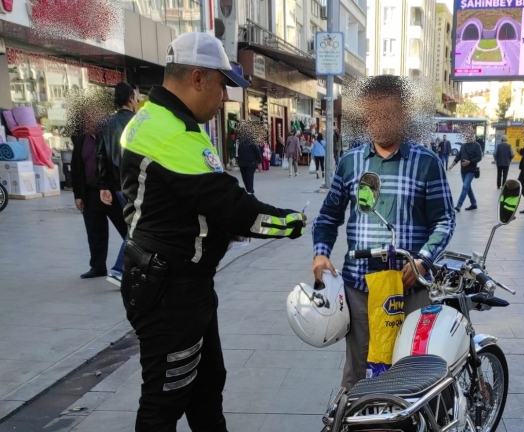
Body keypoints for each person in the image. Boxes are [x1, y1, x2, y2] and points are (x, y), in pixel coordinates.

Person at [118, 32, 306, 431]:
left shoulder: (163, 120)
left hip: (181, 284)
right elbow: (230, 205)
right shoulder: (169, 132)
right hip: (170, 291)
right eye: (222, 85)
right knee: (165, 401)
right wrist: (290, 223)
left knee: (205, 387)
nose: (224, 97)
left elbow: (181, 201)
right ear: (198, 78)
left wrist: (210, 230)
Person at [312, 75, 456, 390]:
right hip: (360, 290)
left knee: (411, 374)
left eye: (390, 113)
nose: (382, 120)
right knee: (358, 374)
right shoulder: (351, 163)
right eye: (375, 114)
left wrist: (423, 260)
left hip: (411, 290)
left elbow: (445, 219)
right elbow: (328, 215)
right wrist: (321, 253)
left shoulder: (426, 163)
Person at [71, 108, 129, 281]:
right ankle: (97, 267)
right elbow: (76, 168)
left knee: (127, 229)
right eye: (86, 121)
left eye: (92, 120)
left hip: (113, 191)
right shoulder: (82, 140)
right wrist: (78, 195)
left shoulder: (111, 137)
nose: (89, 124)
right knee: (95, 232)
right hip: (90, 193)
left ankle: (131, 265)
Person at [97, 82, 138, 286]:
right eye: (136, 97)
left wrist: (104, 186)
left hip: (116, 185)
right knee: (137, 226)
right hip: (136, 184)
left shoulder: (107, 124)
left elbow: (101, 156)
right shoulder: (138, 122)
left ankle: (131, 267)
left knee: (134, 225)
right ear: (130, 98)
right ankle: (119, 269)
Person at [448, 125, 482, 212]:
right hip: (463, 171)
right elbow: (458, 156)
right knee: (467, 188)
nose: (468, 137)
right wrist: (452, 165)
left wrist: (470, 162)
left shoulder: (477, 145)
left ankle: (458, 205)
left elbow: (479, 157)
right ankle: (473, 203)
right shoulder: (463, 146)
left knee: (465, 186)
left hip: (471, 170)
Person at [236, 122, 263, 194]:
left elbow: (257, 151)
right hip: (242, 163)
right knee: (245, 181)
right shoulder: (239, 140)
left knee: (249, 180)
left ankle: (251, 194)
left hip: (250, 163)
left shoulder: (252, 139)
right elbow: (238, 152)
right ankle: (249, 193)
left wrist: (260, 162)